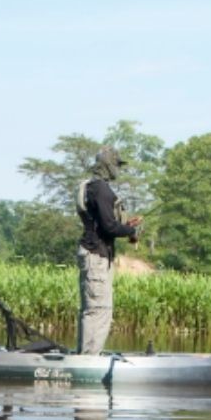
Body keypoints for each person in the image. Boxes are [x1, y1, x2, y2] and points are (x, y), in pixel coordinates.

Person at [76, 146, 142, 355]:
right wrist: (131, 230)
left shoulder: (91, 187)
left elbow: (105, 223)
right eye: (116, 165)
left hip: (93, 253)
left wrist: (126, 226)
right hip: (96, 255)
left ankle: (86, 356)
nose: (117, 169)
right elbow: (109, 227)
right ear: (107, 165)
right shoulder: (101, 189)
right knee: (99, 309)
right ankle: (88, 360)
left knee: (93, 309)